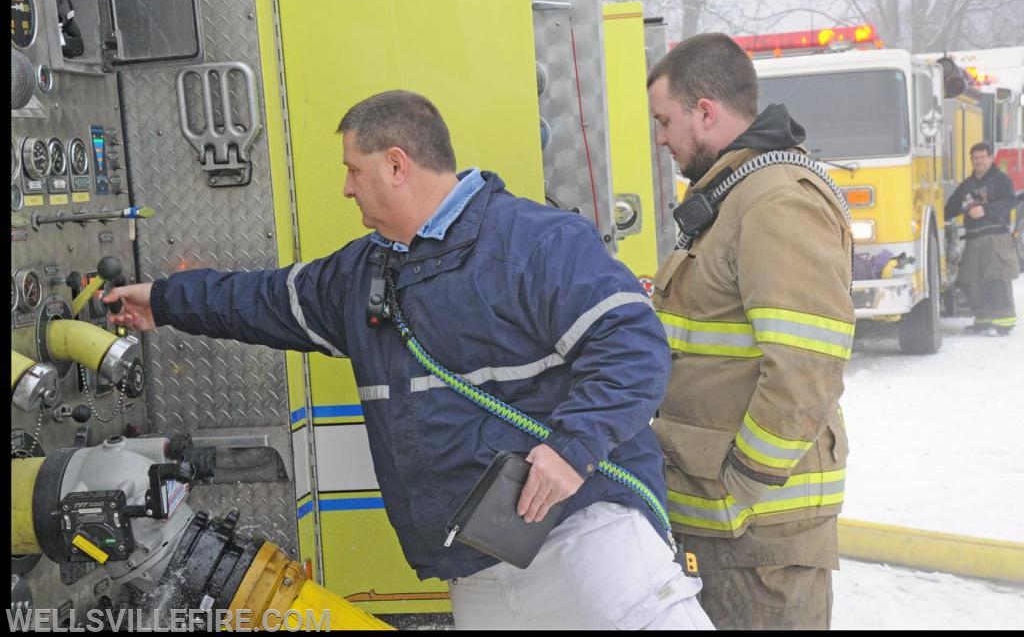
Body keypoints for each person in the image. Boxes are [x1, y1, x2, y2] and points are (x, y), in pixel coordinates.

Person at [104, 89, 713, 630]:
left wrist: (571, 449)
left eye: (353, 169)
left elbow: (634, 346)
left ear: (397, 164)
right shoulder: (361, 273)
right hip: (475, 575)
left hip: (585, 546)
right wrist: (162, 301)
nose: (345, 187)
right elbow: (262, 300)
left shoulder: (536, 242)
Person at [646, 33, 854, 630]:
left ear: (705, 112)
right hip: (729, 531)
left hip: (757, 537)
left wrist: (743, 489)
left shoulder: (775, 202)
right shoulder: (737, 195)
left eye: (665, 121)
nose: (661, 138)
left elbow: (805, 368)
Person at [944, 142, 1018, 336]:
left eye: (982, 158)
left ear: (990, 157)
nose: (979, 162)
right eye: (975, 158)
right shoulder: (967, 185)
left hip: (996, 237)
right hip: (973, 239)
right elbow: (951, 207)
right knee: (970, 281)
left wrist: (985, 210)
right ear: (971, 160)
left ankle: (1004, 322)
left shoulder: (1001, 180)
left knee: (997, 279)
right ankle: (983, 318)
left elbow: (1010, 201)